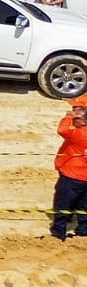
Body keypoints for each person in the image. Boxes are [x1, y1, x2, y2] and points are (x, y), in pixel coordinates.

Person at [49, 98, 87, 241]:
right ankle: (83, 232)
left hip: (72, 176)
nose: (73, 111)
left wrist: (68, 117)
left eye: (77, 109)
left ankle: (58, 233)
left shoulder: (78, 134)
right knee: (84, 205)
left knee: (63, 204)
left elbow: (62, 129)